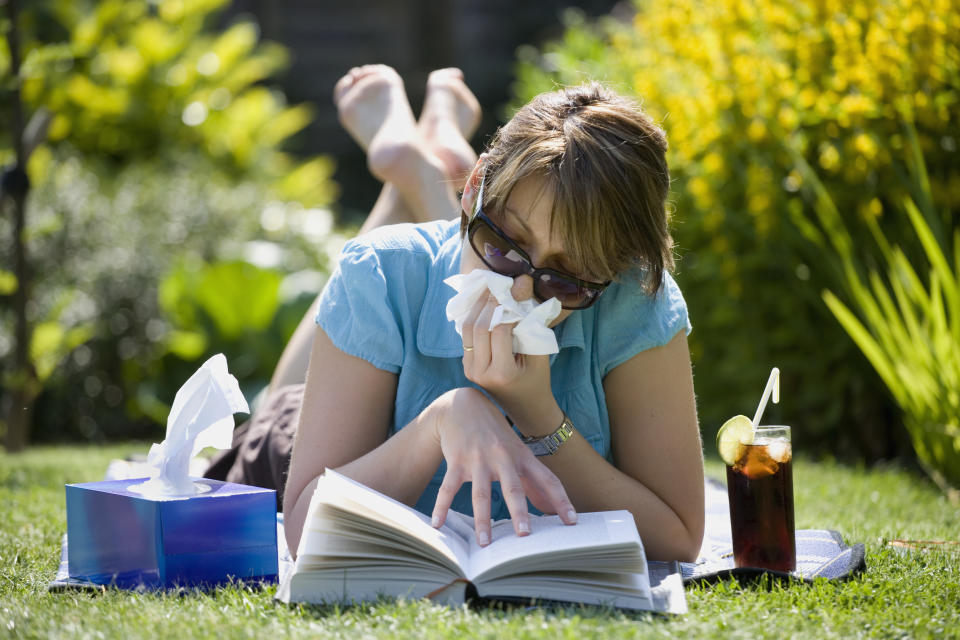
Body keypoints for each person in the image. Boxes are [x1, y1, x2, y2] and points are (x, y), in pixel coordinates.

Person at [206, 64, 704, 562]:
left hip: (448, 254)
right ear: (473, 190)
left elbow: (679, 538)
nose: (521, 292)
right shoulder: (379, 273)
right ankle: (418, 177)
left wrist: (538, 415)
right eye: (504, 246)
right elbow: (302, 530)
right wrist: (438, 422)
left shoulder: (631, 298)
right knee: (284, 394)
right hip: (301, 435)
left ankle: (421, 175)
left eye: (564, 278)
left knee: (434, 261)